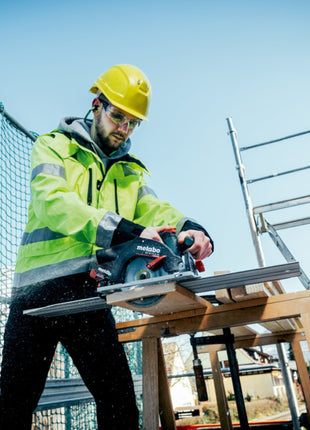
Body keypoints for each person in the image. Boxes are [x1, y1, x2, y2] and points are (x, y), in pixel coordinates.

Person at [0, 64, 213, 429]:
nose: (124, 129)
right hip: (35, 295)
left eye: (133, 123)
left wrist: (188, 228)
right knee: (12, 406)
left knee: (117, 402)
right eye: (118, 116)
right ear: (97, 105)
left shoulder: (130, 171)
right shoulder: (53, 146)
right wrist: (123, 232)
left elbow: (155, 209)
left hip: (87, 292)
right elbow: (54, 203)